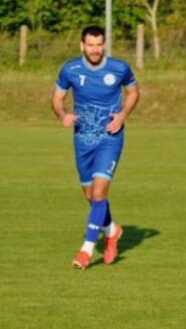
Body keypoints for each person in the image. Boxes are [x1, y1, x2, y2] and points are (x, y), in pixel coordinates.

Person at [52, 25, 139, 269]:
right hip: (82, 140)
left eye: (99, 44)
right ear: (82, 45)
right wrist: (62, 115)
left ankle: (86, 250)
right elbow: (57, 99)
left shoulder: (119, 68)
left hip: (110, 138)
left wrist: (122, 116)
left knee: (100, 194)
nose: (95, 49)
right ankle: (112, 230)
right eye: (90, 45)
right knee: (91, 197)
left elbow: (133, 93)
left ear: (104, 45)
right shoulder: (70, 69)